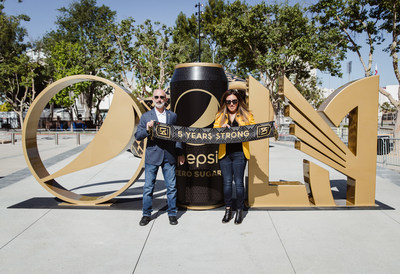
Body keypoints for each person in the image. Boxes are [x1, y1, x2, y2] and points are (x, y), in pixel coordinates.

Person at [135, 89, 185, 226]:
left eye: (161, 97)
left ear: (166, 100)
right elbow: (137, 136)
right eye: (156, 97)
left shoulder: (173, 116)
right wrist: (146, 129)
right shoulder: (146, 116)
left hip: (169, 156)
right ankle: (146, 214)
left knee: (172, 187)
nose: (159, 99)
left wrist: (180, 153)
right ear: (152, 99)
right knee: (148, 188)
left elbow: (178, 136)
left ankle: (172, 213)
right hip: (152, 156)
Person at [213, 89, 255, 224]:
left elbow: (255, 130)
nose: (231, 104)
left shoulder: (246, 115)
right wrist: (221, 127)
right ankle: (228, 209)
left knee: (238, 183)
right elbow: (213, 132)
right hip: (224, 154)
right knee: (226, 184)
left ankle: (239, 210)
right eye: (228, 101)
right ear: (225, 103)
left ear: (238, 102)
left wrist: (272, 127)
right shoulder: (220, 115)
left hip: (240, 153)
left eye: (234, 101)